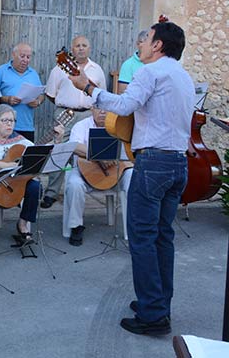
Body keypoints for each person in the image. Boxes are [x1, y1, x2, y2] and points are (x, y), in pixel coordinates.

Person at [68, 21, 193, 336]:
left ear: (158, 45)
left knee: (142, 238)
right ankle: (158, 303)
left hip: (152, 163)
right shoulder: (184, 77)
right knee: (163, 237)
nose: (141, 44)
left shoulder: (150, 72)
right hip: (177, 163)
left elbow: (125, 104)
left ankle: (153, 314)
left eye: (147, 39)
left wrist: (88, 87)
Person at [0, 104, 51, 253]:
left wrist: (55, 138)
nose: (10, 124)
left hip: (13, 185)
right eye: (5, 120)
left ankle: (22, 224)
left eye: (12, 120)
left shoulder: (18, 138)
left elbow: (36, 151)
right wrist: (6, 165)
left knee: (35, 187)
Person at [42, 35, 106, 209]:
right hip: (65, 114)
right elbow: (50, 94)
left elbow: (102, 96)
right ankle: (51, 192)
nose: (81, 48)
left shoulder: (97, 70)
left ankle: (92, 182)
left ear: (90, 48)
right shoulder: (59, 69)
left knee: (88, 151)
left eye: (84, 45)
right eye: (77, 45)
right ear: (72, 48)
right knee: (59, 150)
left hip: (88, 115)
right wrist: (65, 108)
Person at [62, 106, 132, 246]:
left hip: (114, 173)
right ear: (92, 109)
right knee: (74, 184)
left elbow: (128, 149)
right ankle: (76, 226)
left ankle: (134, 223)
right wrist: (99, 156)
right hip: (85, 172)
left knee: (132, 175)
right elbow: (74, 146)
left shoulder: (118, 126)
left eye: (107, 108)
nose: (103, 112)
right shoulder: (81, 126)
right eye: (99, 108)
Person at [0, 43, 44, 141]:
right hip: (5, 126)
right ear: (13, 54)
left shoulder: (33, 74)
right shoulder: (1, 71)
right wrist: (7, 99)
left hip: (27, 126)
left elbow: (42, 94)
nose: (25, 60)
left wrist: (37, 101)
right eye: (22, 56)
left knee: (26, 155)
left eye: (28, 57)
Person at [117, 30, 149, 94]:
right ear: (138, 43)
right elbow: (123, 92)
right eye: (144, 43)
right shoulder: (128, 65)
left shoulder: (157, 62)